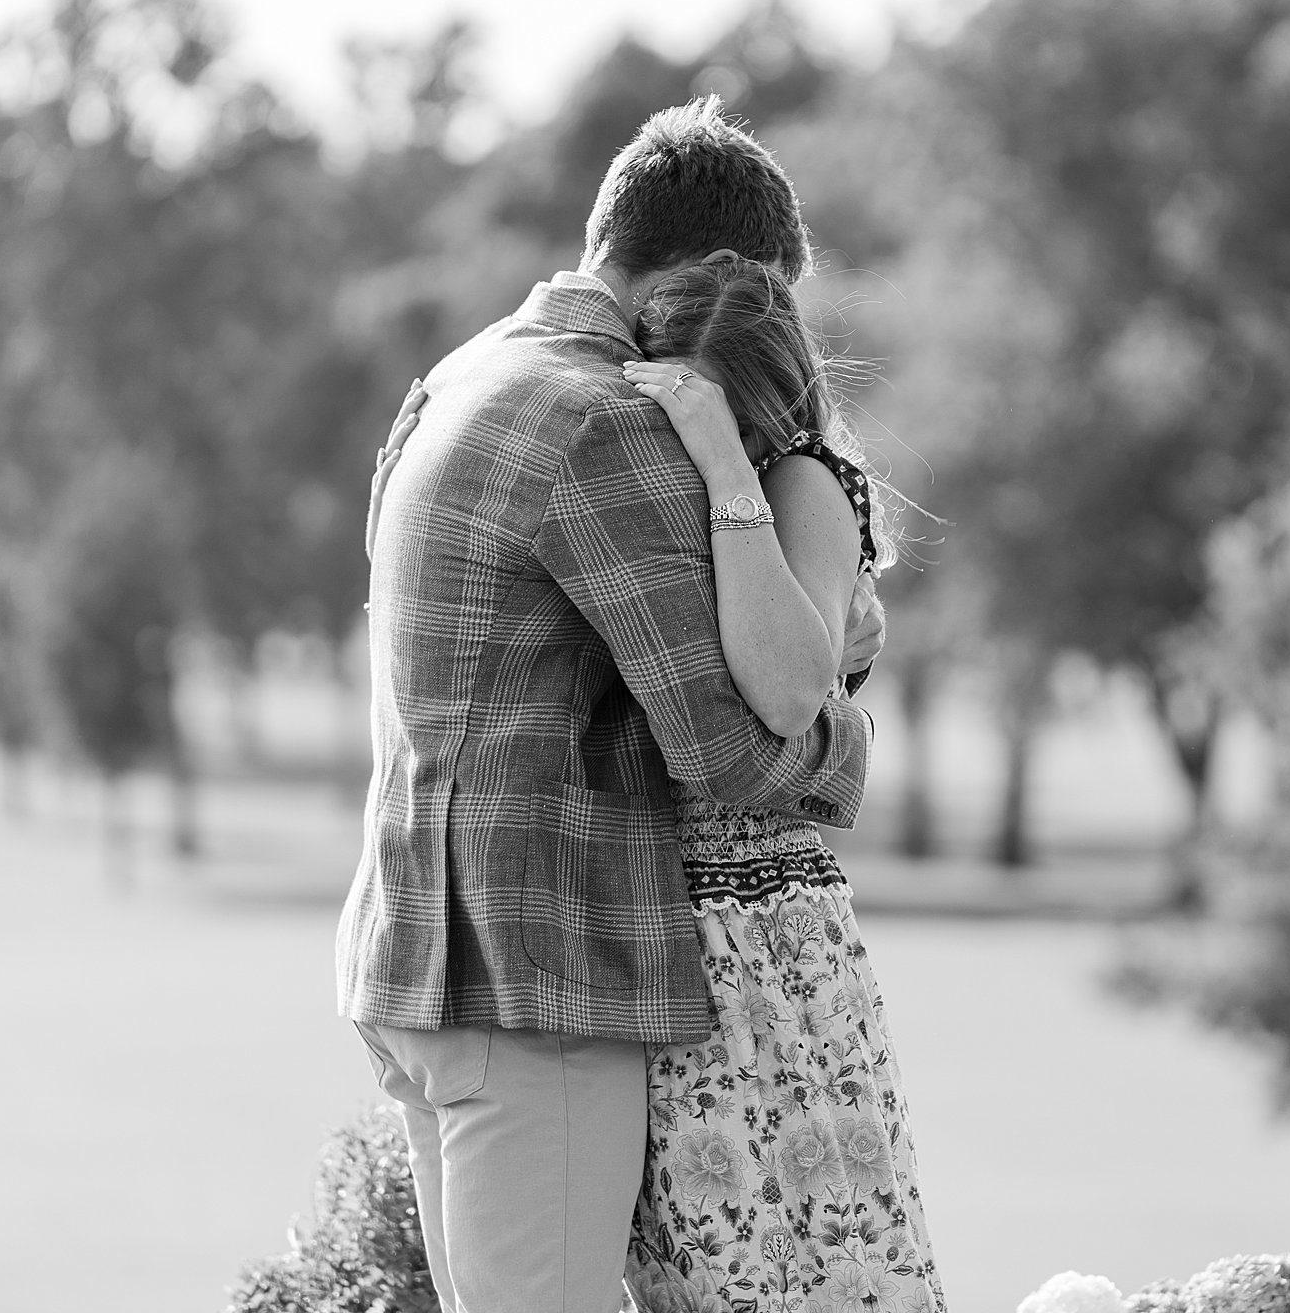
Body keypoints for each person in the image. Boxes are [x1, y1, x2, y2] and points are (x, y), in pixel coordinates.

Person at [341, 96, 885, 1313]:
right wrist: (849, 735)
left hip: (414, 955)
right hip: (534, 974)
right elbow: (734, 745)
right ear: (723, 271)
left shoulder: (458, 377)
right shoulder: (604, 417)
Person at [619, 258, 947, 1313]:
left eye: (707, 408)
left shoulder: (800, 481)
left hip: (762, 943)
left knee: (813, 1265)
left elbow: (791, 691)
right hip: (678, 938)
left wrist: (723, 464)